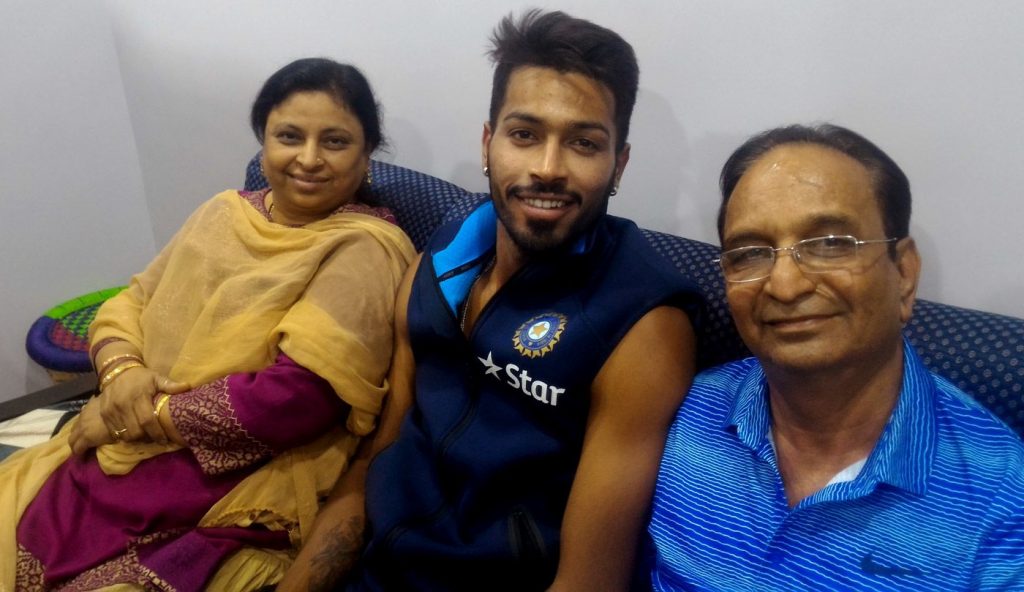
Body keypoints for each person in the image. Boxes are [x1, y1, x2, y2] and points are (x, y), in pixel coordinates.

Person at [280, 10, 703, 592]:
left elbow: (589, 582)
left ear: (618, 164)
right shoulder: (444, 254)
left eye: (583, 142)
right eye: (524, 134)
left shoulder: (643, 323)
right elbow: (375, 463)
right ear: (488, 142)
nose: (547, 168)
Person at [0, 58, 415, 590]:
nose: (308, 159)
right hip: (120, 439)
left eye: (334, 142)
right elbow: (133, 302)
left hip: (236, 481)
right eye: (289, 136)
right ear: (263, 143)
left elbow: (298, 398)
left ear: (366, 155)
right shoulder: (223, 212)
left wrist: (138, 415)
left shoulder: (364, 248)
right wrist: (123, 374)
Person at [647, 124, 1024, 590]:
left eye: (829, 244)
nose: (785, 286)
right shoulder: (686, 411)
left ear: (903, 275)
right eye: (749, 253)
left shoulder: (1001, 494)